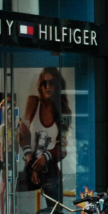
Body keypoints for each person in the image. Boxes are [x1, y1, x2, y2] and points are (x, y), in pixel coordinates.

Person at [19, 67, 69, 201]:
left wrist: (46, 156)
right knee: (27, 212)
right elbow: (23, 133)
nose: (47, 87)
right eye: (44, 83)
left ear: (57, 85)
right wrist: (31, 160)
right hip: (31, 168)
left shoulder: (63, 110)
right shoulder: (34, 102)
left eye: (51, 83)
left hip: (51, 171)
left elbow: (63, 146)